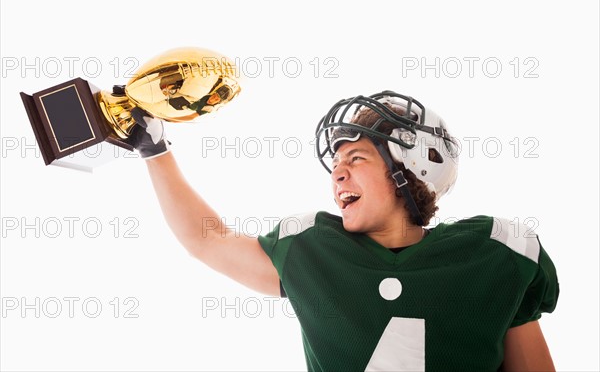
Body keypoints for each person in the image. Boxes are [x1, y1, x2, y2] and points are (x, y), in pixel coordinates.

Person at [128, 90, 559, 371]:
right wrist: (155, 150)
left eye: (355, 159)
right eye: (335, 165)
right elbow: (208, 240)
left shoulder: (494, 257)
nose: (338, 175)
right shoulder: (315, 250)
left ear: (411, 168)